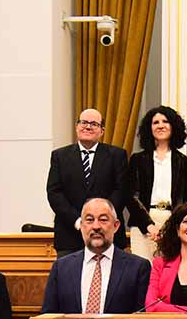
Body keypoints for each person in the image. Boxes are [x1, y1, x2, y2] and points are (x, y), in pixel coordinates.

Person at [41, 198, 151, 314]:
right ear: (82, 226)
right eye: (89, 220)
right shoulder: (61, 267)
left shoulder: (138, 268)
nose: (96, 226)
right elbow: (47, 317)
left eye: (103, 220)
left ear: (116, 226)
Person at [47, 108, 128, 256]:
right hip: (70, 236)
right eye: (83, 122)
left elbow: (121, 191)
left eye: (94, 124)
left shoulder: (117, 155)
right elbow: (54, 193)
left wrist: (102, 220)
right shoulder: (60, 156)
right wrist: (79, 221)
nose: (88, 127)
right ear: (77, 126)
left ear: (102, 131)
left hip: (108, 236)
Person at [123, 106, 187, 261]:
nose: (160, 125)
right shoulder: (138, 160)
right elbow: (130, 196)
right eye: (155, 122)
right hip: (143, 225)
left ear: (174, 126)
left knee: (170, 274)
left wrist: (171, 225)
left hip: (174, 223)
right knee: (144, 274)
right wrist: (149, 225)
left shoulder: (185, 162)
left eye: (165, 121)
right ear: (149, 128)